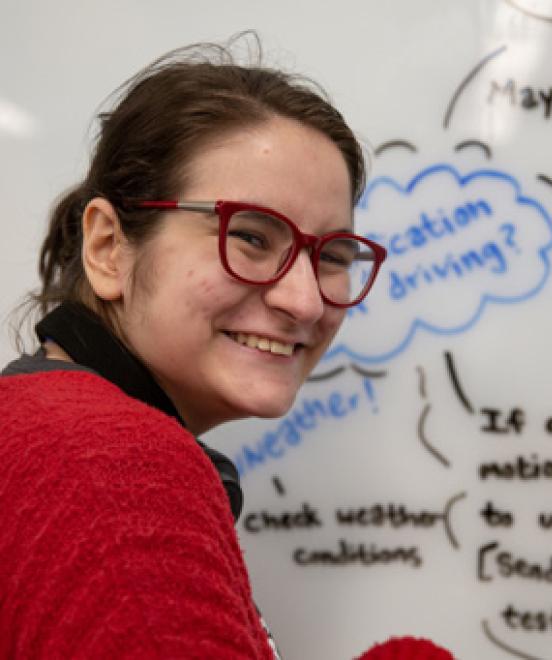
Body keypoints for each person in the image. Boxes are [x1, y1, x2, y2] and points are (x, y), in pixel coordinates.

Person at [0, 36, 393, 658]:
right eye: (253, 237)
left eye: (333, 256)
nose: (306, 301)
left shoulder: (45, 428)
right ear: (107, 247)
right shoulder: (111, 466)